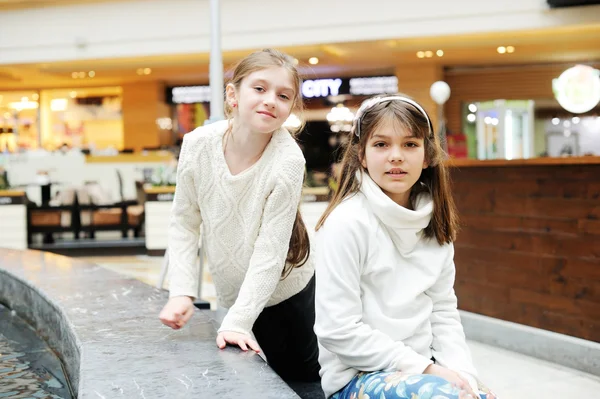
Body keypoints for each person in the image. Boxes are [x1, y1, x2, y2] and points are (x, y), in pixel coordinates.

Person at [313, 95, 497, 399]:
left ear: (427, 156)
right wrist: (427, 370)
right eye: (381, 144)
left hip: (425, 367)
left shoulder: (434, 221)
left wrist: (464, 375)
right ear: (361, 155)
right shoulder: (346, 222)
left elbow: (443, 311)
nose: (396, 156)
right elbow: (338, 330)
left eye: (410, 144)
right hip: (357, 378)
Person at [159, 48, 320, 382]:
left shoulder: (288, 161)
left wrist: (239, 319)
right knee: (242, 380)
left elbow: (270, 251)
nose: (270, 100)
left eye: (283, 95)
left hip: (284, 292)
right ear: (232, 94)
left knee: (295, 382)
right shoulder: (197, 145)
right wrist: (181, 291)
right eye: (259, 89)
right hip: (232, 290)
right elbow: (184, 223)